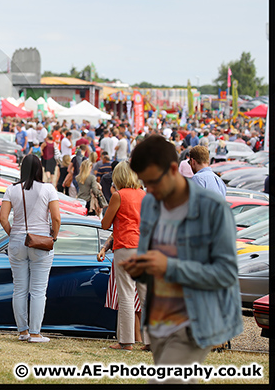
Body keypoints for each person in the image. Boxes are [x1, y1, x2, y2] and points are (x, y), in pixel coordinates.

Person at [121, 135, 242, 384]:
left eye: (153, 181)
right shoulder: (153, 206)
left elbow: (226, 273)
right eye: (144, 182)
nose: (149, 189)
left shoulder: (213, 209)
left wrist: (170, 266)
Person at [0, 154, 61, 344]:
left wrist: (14, 234)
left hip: (17, 240)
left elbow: (2, 218)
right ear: (40, 169)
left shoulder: (12, 189)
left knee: (19, 289)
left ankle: (23, 331)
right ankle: (35, 333)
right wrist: (54, 236)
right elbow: (56, 218)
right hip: (40, 241)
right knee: (38, 290)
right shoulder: (48, 189)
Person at [97, 162, 150, 351]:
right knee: (145, 294)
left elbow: (105, 224)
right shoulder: (144, 195)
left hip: (125, 246)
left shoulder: (119, 195)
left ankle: (126, 341)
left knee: (126, 294)